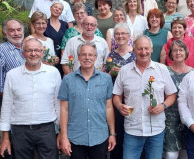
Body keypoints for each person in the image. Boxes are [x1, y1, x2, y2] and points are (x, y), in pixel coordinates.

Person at [113, 35, 177, 159]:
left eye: (146, 48)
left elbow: (171, 95)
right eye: (140, 49)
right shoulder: (125, 71)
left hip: (156, 129)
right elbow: (116, 95)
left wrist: (163, 106)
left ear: (152, 50)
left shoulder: (162, 69)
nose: (143, 52)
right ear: (134, 50)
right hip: (132, 129)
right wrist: (119, 106)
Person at [0, 38, 61, 158]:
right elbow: (6, 106)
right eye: (29, 50)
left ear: (43, 52)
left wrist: (61, 132)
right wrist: (5, 138)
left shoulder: (53, 73)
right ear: (23, 53)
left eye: (37, 50)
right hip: (20, 131)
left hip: (46, 129)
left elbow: (58, 103)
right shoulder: (12, 75)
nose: (33, 54)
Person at [58, 42, 116, 159]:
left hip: (100, 135)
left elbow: (108, 107)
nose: (87, 57)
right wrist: (63, 136)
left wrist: (112, 133)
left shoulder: (106, 79)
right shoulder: (68, 80)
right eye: (83, 54)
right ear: (78, 57)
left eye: (91, 55)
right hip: (75, 136)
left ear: (96, 57)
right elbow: (64, 109)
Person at [105, 23, 136, 159]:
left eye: (123, 33)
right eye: (117, 34)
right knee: (117, 128)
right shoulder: (111, 55)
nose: (120, 36)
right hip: (115, 99)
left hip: (132, 97)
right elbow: (105, 78)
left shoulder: (135, 53)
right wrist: (111, 73)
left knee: (132, 130)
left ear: (129, 36)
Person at [164, 40, 193, 159]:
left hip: (189, 118)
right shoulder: (164, 71)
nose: (178, 53)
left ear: (186, 53)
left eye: (181, 50)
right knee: (171, 155)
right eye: (175, 50)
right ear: (170, 54)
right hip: (169, 118)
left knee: (187, 153)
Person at [0, 19, 25, 96]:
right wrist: (13, 101)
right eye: (12, 31)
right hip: (15, 101)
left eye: (19, 30)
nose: (16, 33)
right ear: (5, 34)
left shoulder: (28, 47)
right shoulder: (0, 50)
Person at [44, 2, 69, 76]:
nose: (57, 9)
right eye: (55, 7)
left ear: (61, 12)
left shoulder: (65, 24)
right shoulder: (44, 23)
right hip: (49, 57)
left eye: (60, 9)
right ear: (50, 8)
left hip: (63, 57)